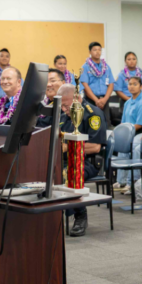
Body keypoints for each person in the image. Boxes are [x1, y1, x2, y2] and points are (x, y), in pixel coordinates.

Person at [56, 84, 105, 237]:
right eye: (61, 106)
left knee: (68, 174)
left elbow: (96, 147)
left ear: (76, 98)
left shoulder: (92, 114)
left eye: (65, 105)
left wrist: (67, 147)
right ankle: (53, 215)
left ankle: (80, 216)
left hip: (88, 162)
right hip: (65, 159)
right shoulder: (65, 115)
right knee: (46, 171)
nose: (63, 109)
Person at [80, 41, 114, 129]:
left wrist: (105, 99)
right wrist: (96, 100)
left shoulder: (106, 66)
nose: (97, 52)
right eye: (95, 50)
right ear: (90, 52)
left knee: (106, 123)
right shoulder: (85, 67)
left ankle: (106, 142)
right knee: (93, 124)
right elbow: (85, 85)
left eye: (99, 49)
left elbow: (111, 83)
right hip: (91, 100)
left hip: (104, 99)